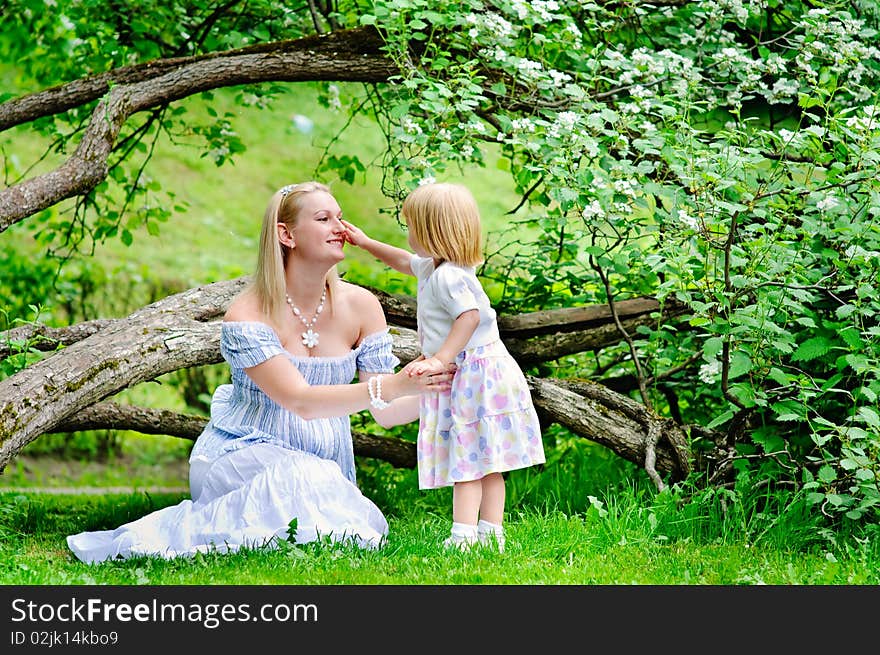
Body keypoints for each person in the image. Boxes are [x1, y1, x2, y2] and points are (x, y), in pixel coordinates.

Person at [67, 181, 453, 563]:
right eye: (323, 218)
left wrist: (442, 386)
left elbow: (386, 412)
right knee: (309, 489)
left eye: (340, 217)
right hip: (242, 453)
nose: (340, 227)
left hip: (326, 469)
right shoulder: (248, 313)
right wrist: (393, 384)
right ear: (286, 234)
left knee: (337, 517)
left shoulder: (361, 306)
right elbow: (300, 401)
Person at [342, 181, 545, 552]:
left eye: (413, 227)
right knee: (489, 459)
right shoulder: (439, 267)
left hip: (474, 372)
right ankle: (491, 533)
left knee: (468, 457)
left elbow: (469, 317)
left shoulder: (449, 277)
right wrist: (366, 242)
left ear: (434, 232)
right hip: (485, 370)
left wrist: (439, 358)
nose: (409, 235)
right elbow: (403, 261)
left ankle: (463, 537)